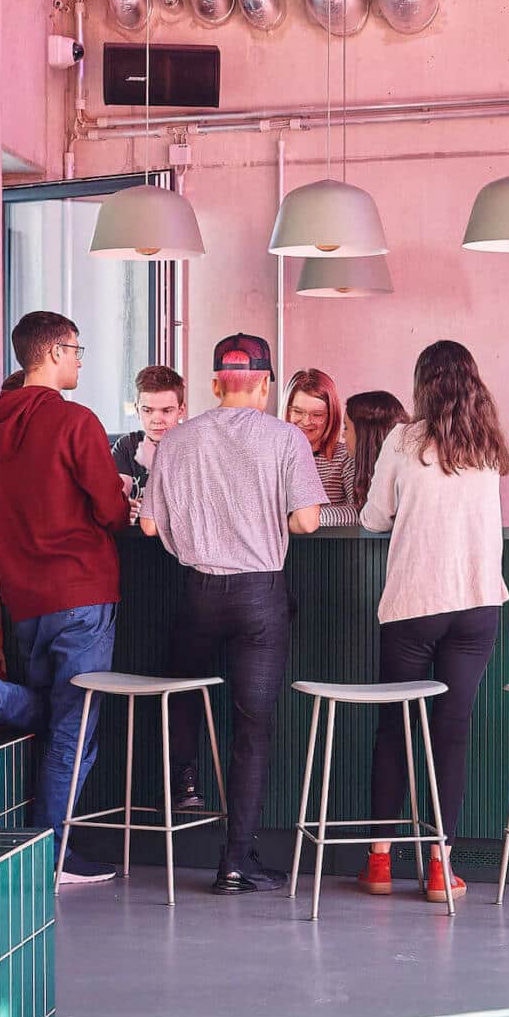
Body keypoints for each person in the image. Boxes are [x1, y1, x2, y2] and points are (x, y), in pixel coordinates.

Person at [0, 311, 127, 886]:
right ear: (53, 353)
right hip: (81, 590)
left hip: (25, 595)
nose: (80, 361)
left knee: (56, 712)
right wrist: (121, 496)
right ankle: (52, 857)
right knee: (77, 722)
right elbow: (111, 512)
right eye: (76, 351)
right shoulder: (76, 421)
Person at [142, 333, 327, 894]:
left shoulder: (177, 440)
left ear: (216, 383)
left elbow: (149, 526)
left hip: (197, 591)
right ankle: (235, 860)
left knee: (183, 695)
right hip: (258, 597)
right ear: (267, 384)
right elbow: (307, 523)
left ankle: (185, 785)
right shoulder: (286, 438)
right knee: (253, 726)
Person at [356, 341, 509, 903]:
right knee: (451, 733)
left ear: (422, 383)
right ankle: (442, 868)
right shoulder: (487, 445)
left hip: (413, 605)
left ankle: (378, 862)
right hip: (476, 606)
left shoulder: (402, 439)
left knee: (395, 728)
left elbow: (375, 519)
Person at [318, 390, 408, 527]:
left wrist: (311, 517)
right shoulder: (364, 470)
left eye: (347, 428)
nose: (343, 435)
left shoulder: (399, 473)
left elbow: (364, 514)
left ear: (364, 434)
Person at [110, 365, 189, 496]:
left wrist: (153, 465)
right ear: (137, 410)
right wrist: (123, 507)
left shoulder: (196, 446)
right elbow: (118, 494)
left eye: (167, 410)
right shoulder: (127, 445)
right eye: (148, 410)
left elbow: (194, 508)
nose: (157, 420)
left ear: (180, 411)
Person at [285, 369, 353, 508]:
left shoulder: (344, 456)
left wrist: (305, 518)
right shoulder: (270, 456)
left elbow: (358, 513)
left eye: (317, 415)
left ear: (330, 416)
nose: (305, 421)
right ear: (287, 410)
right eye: (298, 411)